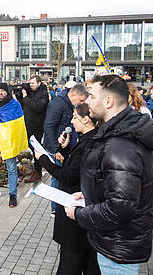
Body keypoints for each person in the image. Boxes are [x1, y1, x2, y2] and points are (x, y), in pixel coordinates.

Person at [68, 75, 153, 274]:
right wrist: (90, 194)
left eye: (92, 96)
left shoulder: (120, 144)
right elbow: (118, 185)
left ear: (108, 101)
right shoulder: (125, 131)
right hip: (119, 243)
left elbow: (120, 207)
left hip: (119, 248)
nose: (86, 101)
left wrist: (79, 214)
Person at [34, 103, 101, 275]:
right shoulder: (87, 139)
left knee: (71, 264)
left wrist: (44, 160)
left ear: (86, 120)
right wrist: (66, 149)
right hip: (82, 208)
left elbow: (68, 175)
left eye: (75, 118)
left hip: (76, 210)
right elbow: (75, 165)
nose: (71, 121)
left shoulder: (89, 143)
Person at [42, 83, 89, 213]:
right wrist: (56, 149)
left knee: (64, 178)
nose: (81, 104)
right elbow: (48, 127)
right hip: (57, 149)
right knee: (57, 179)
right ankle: (55, 210)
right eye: (81, 100)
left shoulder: (71, 104)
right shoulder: (58, 104)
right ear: (73, 94)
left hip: (67, 147)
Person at [0, 82, 29, 208]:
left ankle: (12, 195)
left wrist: (5, 138)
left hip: (9, 142)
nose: (0, 93)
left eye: (3, 90)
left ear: (7, 91)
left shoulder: (14, 105)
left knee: (11, 168)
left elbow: (18, 126)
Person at [21, 75, 50, 183]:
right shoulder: (32, 91)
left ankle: (38, 172)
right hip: (28, 125)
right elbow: (25, 86)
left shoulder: (43, 94)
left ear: (39, 83)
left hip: (37, 126)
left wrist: (25, 98)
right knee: (32, 148)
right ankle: (36, 169)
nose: (30, 85)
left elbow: (37, 107)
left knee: (36, 148)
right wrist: (26, 86)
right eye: (30, 83)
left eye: (33, 83)